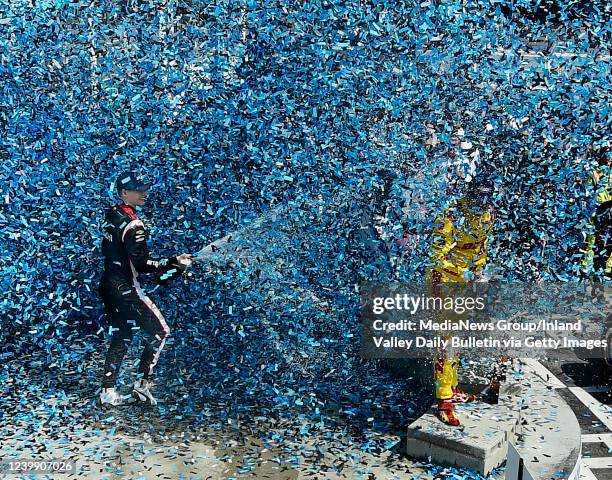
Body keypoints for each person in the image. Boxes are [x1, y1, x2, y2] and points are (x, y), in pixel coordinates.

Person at [98, 171, 193, 406]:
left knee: (122, 334)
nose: (144, 193)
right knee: (160, 332)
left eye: (144, 188)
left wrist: (172, 268)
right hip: (127, 289)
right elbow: (142, 263)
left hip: (108, 285)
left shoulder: (113, 214)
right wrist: (172, 262)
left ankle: (107, 392)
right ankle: (142, 386)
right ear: (124, 193)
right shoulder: (134, 225)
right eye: (137, 190)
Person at [427, 175, 495, 426]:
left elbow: (481, 246)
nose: (484, 202)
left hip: (467, 282)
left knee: (459, 337)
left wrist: (478, 273)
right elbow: (435, 255)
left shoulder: (489, 213)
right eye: (479, 197)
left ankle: (452, 387)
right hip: (444, 281)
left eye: (488, 197)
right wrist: (458, 275)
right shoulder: (452, 215)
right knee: (446, 340)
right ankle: (443, 401)